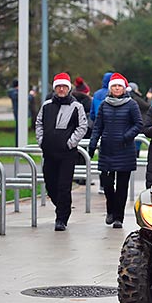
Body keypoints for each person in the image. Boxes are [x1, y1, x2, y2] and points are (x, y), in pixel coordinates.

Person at [89, 73, 143, 229]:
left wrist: (126, 136)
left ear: (123, 88)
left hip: (125, 150)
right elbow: (97, 126)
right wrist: (92, 144)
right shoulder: (105, 104)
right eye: (114, 86)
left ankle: (119, 217)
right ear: (110, 88)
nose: (117, 88)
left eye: (119, 86)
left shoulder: (131, 104)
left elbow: (138, 124)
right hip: (107, 149)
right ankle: (110, 210)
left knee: (122, 186)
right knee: (106, 183)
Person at [36, 72, 88, 231]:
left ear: (69, 88)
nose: (61, 89)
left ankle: (61, 218)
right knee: (50, 184)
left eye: (64, 86)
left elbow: (82, 127)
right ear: (54, 88)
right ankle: (63, 206)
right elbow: (38, 124)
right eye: (58, 86)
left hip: (67, 154)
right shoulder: (46, 106)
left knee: (64, 186)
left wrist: (70, 143)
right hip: (49, 152)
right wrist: (41, 141)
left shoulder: (76, 106)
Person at [90, 71, 113, 194]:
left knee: (102, 158)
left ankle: (103, 184)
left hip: (100, 128)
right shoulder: (113, 93)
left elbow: (93, 113)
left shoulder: (97, 94)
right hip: (113, 127)